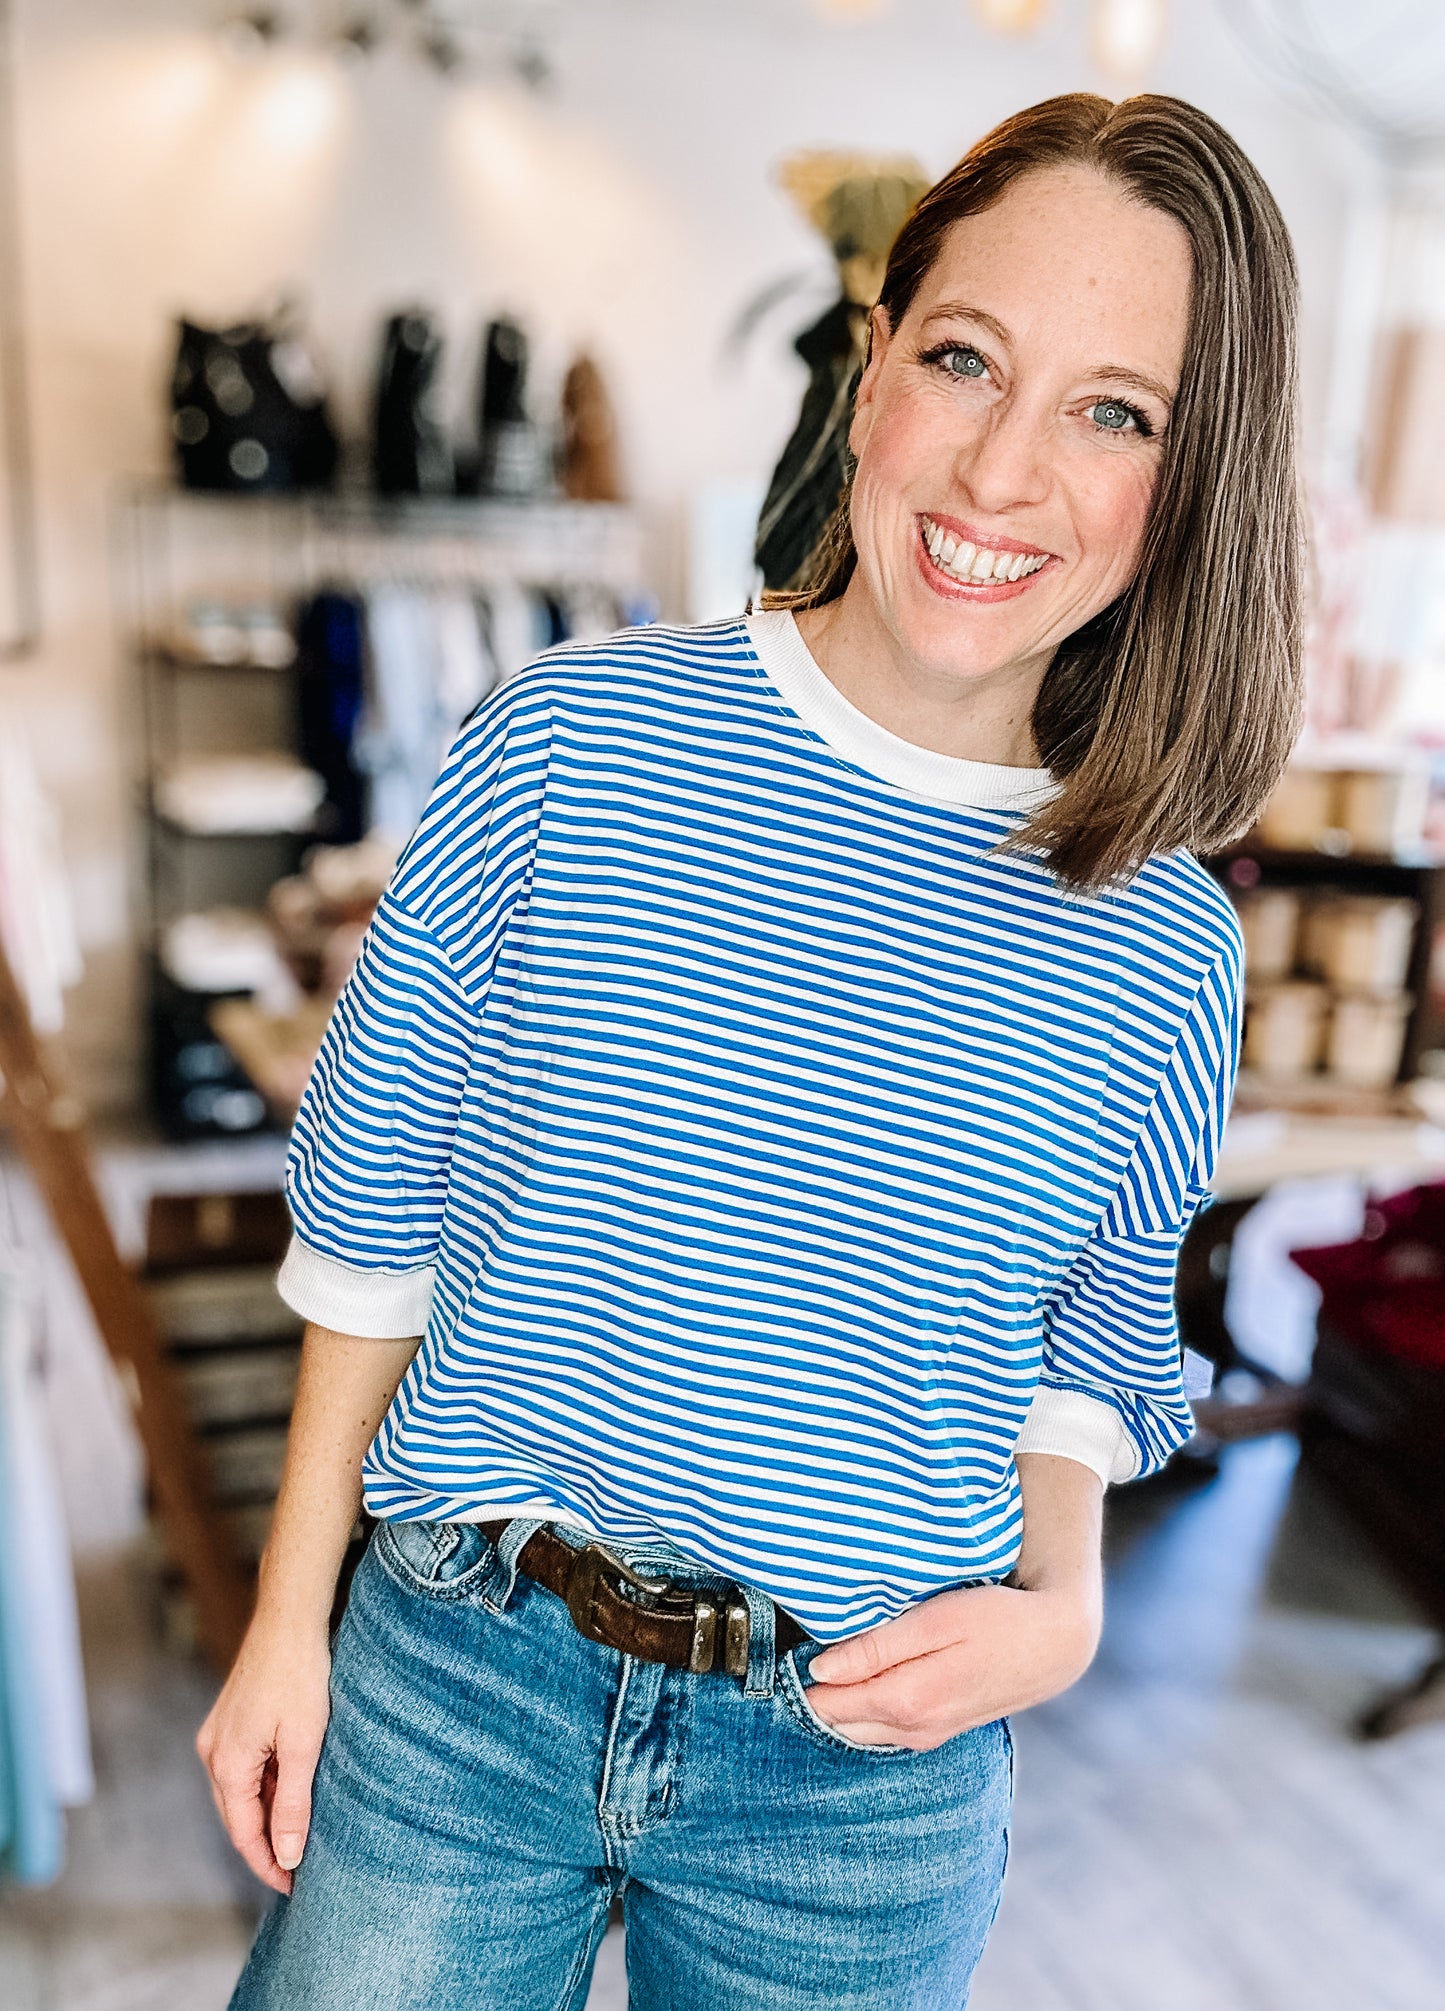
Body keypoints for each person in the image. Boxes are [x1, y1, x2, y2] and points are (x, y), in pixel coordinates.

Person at [202, 91, 1302, 2010]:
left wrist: (1064, 1616)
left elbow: (1093, 1344)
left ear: (1184, 482)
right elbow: (371, 1217)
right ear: (872, 375)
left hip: (861, 1776)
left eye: (1114, 411)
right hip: (465, 1679)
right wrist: (286, 1620)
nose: (1002, 470)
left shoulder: (1161, 939)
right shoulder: (560, 747)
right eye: (966, 360)